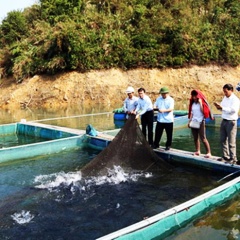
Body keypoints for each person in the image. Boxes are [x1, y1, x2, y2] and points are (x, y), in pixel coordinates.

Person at [214, 84, 240, 164]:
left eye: (226, 91)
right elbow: (223, 107)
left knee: (231, 141)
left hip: (231, 121)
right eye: (224, 92)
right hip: (224, 120)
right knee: (222, 139)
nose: (225, 93)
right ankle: (225, 156)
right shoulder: (225, 98)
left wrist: (223, 108)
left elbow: (233, 110)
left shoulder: (235, 100)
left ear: (231, 90)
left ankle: (233, 158)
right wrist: (219, 107)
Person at [188, 90, 213, 158]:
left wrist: (201, 103)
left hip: (201, 121)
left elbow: (204, 112)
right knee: (195, 138)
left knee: (203, 138)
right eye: (193, 96)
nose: (194, 97)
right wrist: (189, 121)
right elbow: (192, 113)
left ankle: (208, 152)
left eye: (195, 96)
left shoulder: (202, 103)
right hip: (194, 121)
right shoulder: (193, 104)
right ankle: (198, 151)